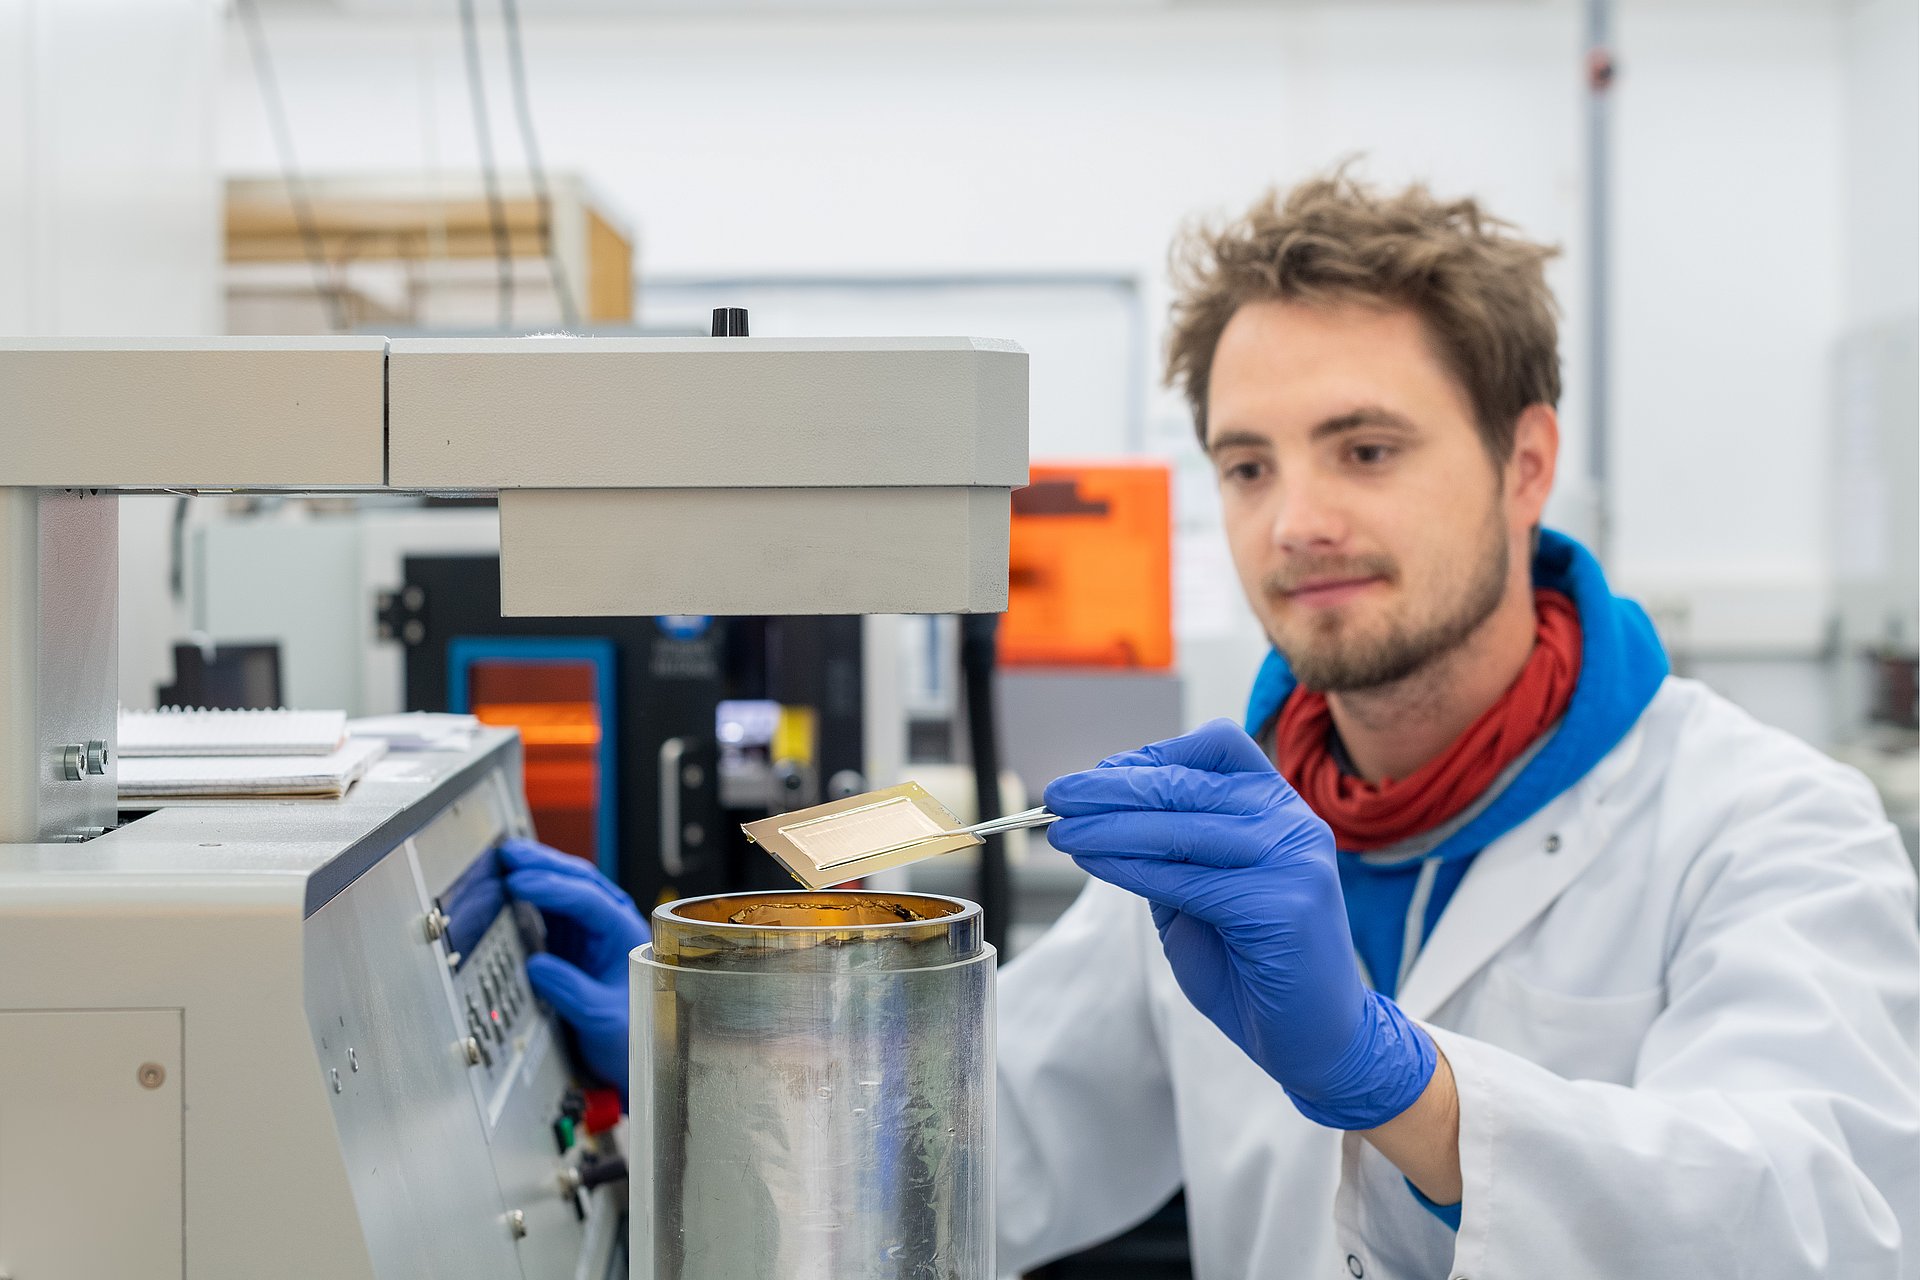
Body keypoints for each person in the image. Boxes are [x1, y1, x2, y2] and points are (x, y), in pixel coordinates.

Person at [503, 172, 1920, 1280]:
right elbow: (995, 1152)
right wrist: (718, 1050)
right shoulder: (1229, 834)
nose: (1297, 520)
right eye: (1248, 464)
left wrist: (1408, 1092)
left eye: (1366, 449)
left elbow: (1835, 1226)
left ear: (1524, 464)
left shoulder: (1763, 823)